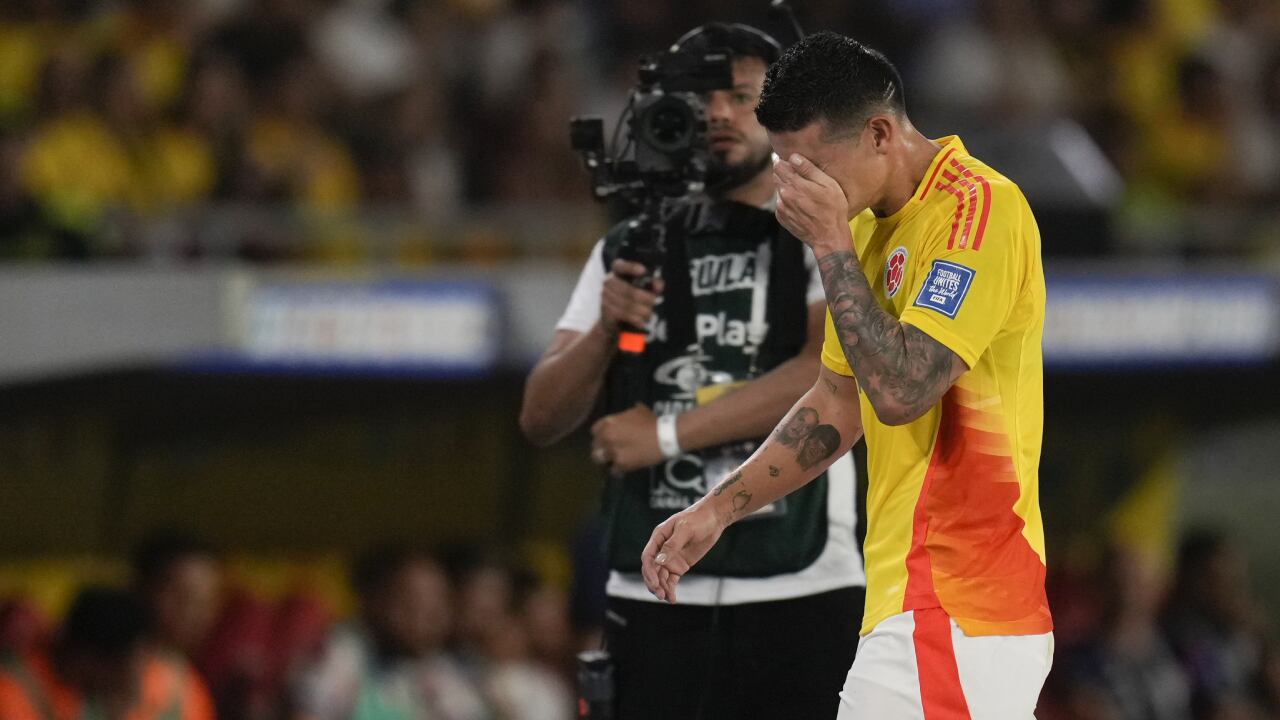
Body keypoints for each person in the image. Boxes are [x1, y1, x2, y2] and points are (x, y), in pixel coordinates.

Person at [642, 32, 1054, 719]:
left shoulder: (979, 211)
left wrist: (830, 242)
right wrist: (720, 507)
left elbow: (901, 392)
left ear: (880, 134)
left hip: (958, 599)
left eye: (812, 168)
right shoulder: (863, 229)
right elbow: (838, 400)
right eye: (786, 168)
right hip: (915, 604)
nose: (796, 190)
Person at [520, 22, 866, 720]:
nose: (719, 114)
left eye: (742, 97)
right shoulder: (627, 244)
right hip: (649, 585)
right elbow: (540, 417)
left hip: (801, 579)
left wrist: (666, 435)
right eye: (702, 98)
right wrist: (605, 331)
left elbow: (826, 373)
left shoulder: (824, 227)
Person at [293, 545, 490, 720]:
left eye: (438, 603)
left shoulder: (438, 669)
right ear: (372, 602)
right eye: (412, 603)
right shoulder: (344, 652)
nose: (429, 617)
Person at [0, 586, 215, 720]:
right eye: (120, 679)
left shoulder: (175, 681)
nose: (133, 689)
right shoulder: (11, 693)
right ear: (86, 659)